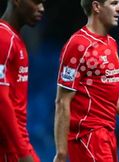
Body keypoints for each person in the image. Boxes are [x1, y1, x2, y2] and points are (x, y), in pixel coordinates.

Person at [53, 0, 119, 162]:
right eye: (114, 3)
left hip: (107, 137)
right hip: (88, 138)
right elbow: (62, 101)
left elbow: (110, 94)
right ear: (96, 7)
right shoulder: (78, 45)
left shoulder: (111, 43)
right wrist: (61, 153)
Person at [0, 0, 44, 162]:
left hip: (18, 146)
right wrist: (23, 153)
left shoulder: (14, 39)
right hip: (9, 149)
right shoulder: (3, 38)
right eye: (37, 2)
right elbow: (1, 100)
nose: (42, 8)